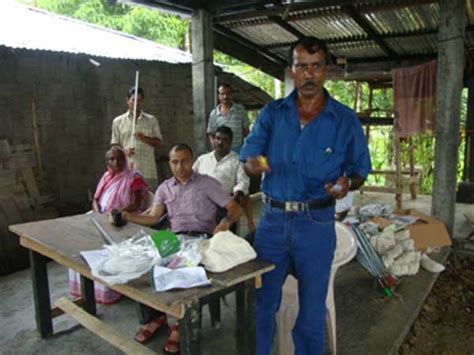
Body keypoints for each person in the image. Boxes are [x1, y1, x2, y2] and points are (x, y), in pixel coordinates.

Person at [240, 36, 371, 355]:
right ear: (291, 71)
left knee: (312, 315)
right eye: (302, 67)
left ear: (326, 70)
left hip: (316, 224)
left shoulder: (343, 120)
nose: (309, 75)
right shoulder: (273, 113)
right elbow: (249, 159)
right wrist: (254, 164)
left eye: (316, 67)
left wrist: (347, 184)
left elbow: (359, 171)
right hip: (272, 222)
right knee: (261, 306)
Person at [121, 143, 241, 354]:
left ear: (192, 160)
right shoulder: (164, 188)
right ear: (170, 164)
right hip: (173, 238)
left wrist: (225, 223)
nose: (180, 166)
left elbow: (234, 207)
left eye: (184, 161)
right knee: (142, 264)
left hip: (201, 239)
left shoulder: (207, 184)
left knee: (182, 272)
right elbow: (153, 217)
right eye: (175, 162)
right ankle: (155, 318)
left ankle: (179, 324)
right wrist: (128, 216)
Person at [69, 146, 150, 304]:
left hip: (126, 218)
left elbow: (136, 203)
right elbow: (96, 199)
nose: (116, 162)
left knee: (103, 244)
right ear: (107, 162)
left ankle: (109, 291)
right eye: (112, 159)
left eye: (119, 158)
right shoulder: (107, 177)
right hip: (102, 216)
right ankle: (87, 288)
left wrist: (116, 212)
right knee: (80, 238)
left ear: (125, 159)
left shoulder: (133, 177)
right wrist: (98, 210)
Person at [193, 125, 255, 233]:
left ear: (230, 142)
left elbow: (242, 182)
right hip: (201, 205)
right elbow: (191, 178)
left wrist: (238, 192)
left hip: (225, 206)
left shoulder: (237, 161)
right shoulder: (202, 159)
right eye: (217, 138)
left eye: (224, 140)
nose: (220, 142)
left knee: (224, 243)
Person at [111, 86, 162, 189]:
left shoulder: (151, 120)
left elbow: (158, 142)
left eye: (139, 100)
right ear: (127, 100)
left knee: (149, 202)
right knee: (129, 201)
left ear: (142, 101)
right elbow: (114, 146)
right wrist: (124, 151)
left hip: (148, 172)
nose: (136, 103)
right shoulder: (118, 121)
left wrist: (144, 138)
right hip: (127, 171)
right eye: (133, 100)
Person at [207, 84, 250, 151]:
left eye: (228, 93)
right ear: (218, 96)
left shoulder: (240, 110)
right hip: (221, 151)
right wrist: (215, 147)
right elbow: (210, 134)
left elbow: (246, 132)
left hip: (237, 150)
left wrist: (247, 148)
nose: (225, 96)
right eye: (222, 94)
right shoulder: (214, 113)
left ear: (232, 95)